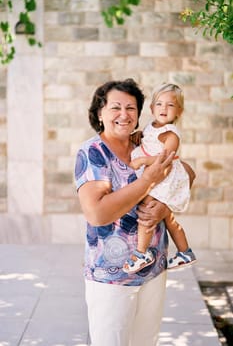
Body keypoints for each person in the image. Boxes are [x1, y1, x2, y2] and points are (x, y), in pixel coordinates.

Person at [74, 78, 194, 346]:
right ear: (100, 113)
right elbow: (97, 214)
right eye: (116, 107)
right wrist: (148, 181)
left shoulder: (144, 144)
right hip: (112, 276)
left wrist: (164, 204)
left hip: (153, 269)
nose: (124, 114)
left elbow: (186, 172)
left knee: (145, 342)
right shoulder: (93, 153)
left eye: (131, 108)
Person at [122, 83, 196, 274]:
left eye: (170, 105)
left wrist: (143, 160)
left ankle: (141, 253)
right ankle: (185, 252)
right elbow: (149, 139)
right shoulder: (152, 126)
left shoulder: (170, 134)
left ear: (179, 111)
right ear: (151, 107)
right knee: (169, 218)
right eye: (159, 104)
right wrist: (139, 135)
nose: (164, 109)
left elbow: (167, 157)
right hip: (157, 174)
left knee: (147, 211)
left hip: (166, 175)